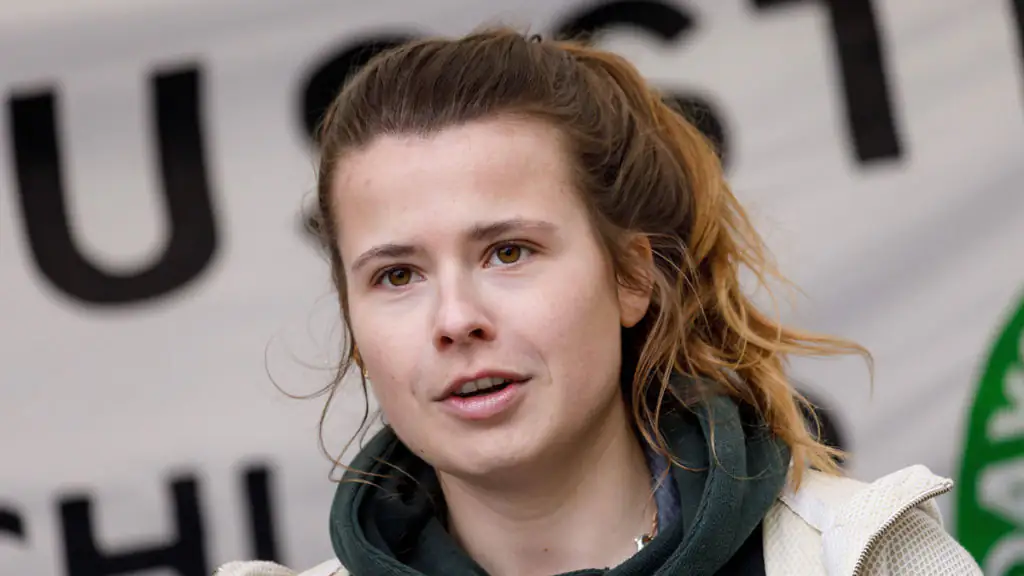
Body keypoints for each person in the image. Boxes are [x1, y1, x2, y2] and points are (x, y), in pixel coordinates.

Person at [217, 29, 981, 576]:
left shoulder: (862, 557)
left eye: (509, 252)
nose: (454, 320)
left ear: (631, 277)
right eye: (396, 276)